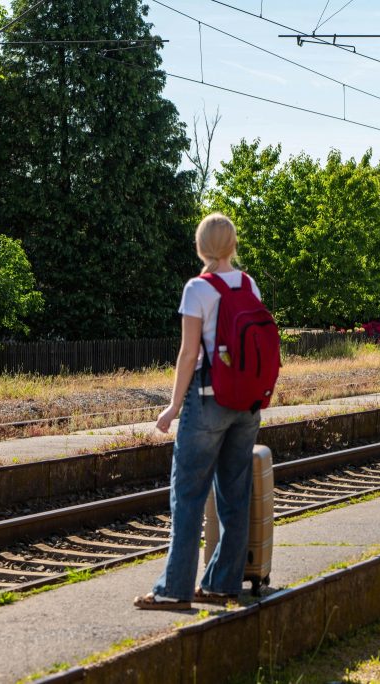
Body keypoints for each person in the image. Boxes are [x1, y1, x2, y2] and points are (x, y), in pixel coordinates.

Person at [134, 213, 262, 610]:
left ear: (201, 245)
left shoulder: (198, 289)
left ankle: (174, 590)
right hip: (247, 406)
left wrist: (172, 407)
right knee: (235, 497)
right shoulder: (249, 284)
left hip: (208, 402)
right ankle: (224, 584)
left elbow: (189, 353)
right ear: (233, 245)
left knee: (187, 497)